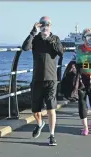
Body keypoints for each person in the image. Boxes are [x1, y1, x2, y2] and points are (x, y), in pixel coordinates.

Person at [22, 16, 63, 146]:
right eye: (43, 24)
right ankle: (40, 124)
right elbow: (25, 47)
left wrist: (49, 38)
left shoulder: (55, 38)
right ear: (39, 25)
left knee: (51, 108)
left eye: (48, 24)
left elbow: (61, 52)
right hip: (37, 79)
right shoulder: (36, 39)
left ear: (51, 26)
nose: (45, 26)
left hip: (51, 79)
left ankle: (52, 135)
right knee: (36, 110)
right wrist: (33, 32)